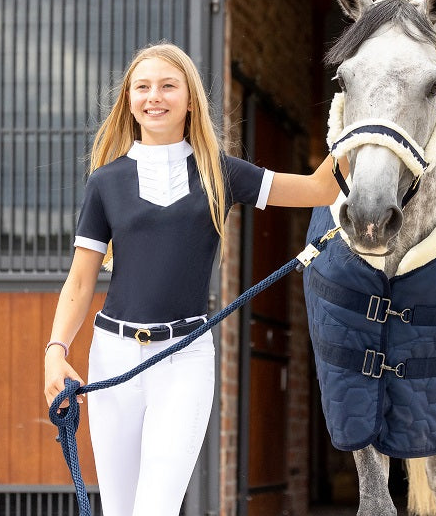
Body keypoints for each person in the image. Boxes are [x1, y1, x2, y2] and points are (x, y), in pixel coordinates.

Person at [42, 42, 342, 515]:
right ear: (128, 100)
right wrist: (55, 351)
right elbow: (79, 283)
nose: (153, 96)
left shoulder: (220, 171)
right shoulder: (105, 182)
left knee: (156, 508)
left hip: (185, 359)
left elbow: (319, 189)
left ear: (189, 99)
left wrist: (353, 126)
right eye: (142, 87)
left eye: (167, 85)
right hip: (113, 359)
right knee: (119, 509)